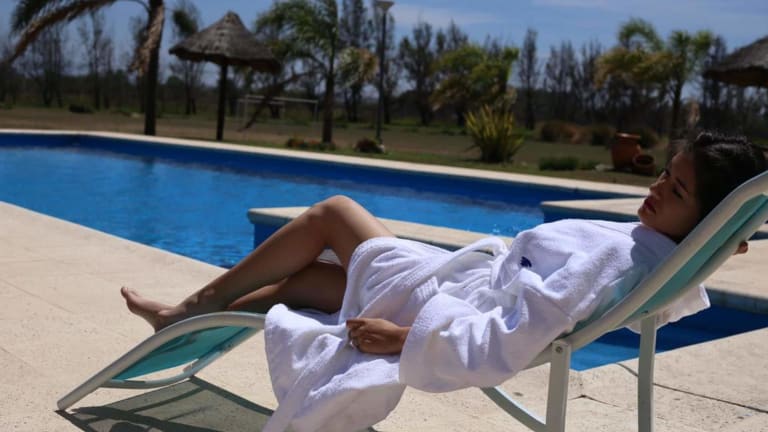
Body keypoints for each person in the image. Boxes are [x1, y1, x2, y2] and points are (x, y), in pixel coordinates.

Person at [122, 131, 765, 432]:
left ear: (703, 220)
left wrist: (404, 339)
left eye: (678, 190)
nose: (657, 188)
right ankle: (185, 316)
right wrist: (714, 243)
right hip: (459, 288)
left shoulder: (621, 259)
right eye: (665, 174)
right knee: (312, 279)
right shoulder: (659, 256)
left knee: (332, 214)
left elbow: (515, 332)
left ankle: (192, 307)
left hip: (440, 303)